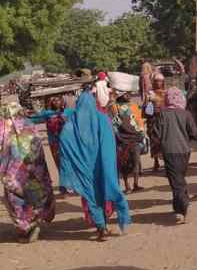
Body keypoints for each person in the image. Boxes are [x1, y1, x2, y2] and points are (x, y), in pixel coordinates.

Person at [58, 92, 131, 241]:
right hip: (103, 164)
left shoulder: (72, 122)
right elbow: (110, 141)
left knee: (91, 196)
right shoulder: (102, 118)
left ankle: (101, 227)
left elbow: (63, 139)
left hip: (84, 167)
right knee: (107, 191)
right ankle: (112, 222)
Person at [0, 103, 56, 242]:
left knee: (16, 200)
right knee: (35, 197)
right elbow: (39, 148)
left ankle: (26, 229)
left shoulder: (4, 127)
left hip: (13, 173)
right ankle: (34, 224)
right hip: (34, 171)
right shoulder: (29, 124)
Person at [153, 88, 197, 224]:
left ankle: (182, 208)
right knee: (179, 178)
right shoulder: (186, 114)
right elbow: (194, 132)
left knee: (176, 180)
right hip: (185, 151)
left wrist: (157, 149)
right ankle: (179, 204)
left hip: (170, 151)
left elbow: (156, 134)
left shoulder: (162, 114)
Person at [110, 91, 146, 193]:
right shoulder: (114, 107)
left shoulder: (134, 106)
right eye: (126, 94)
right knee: (124, 163)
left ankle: (136, 184)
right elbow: (114, 123)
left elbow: (139, 121)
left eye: (128, 94)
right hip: (122, 139)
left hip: (135, 138)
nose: (128, 96)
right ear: (120, 96)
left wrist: (141, 133)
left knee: (135, 162)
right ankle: (127, 186)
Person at [146, 72, 167, 171]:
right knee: (154, 141)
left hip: (165, 120)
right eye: (156, 81)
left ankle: (167, 161)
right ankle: (156, 161)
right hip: (153, 121)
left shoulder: (166, 93)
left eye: (160, 81)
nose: (158, 83)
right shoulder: (150, 94)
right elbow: (147, 110)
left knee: (166, 141)